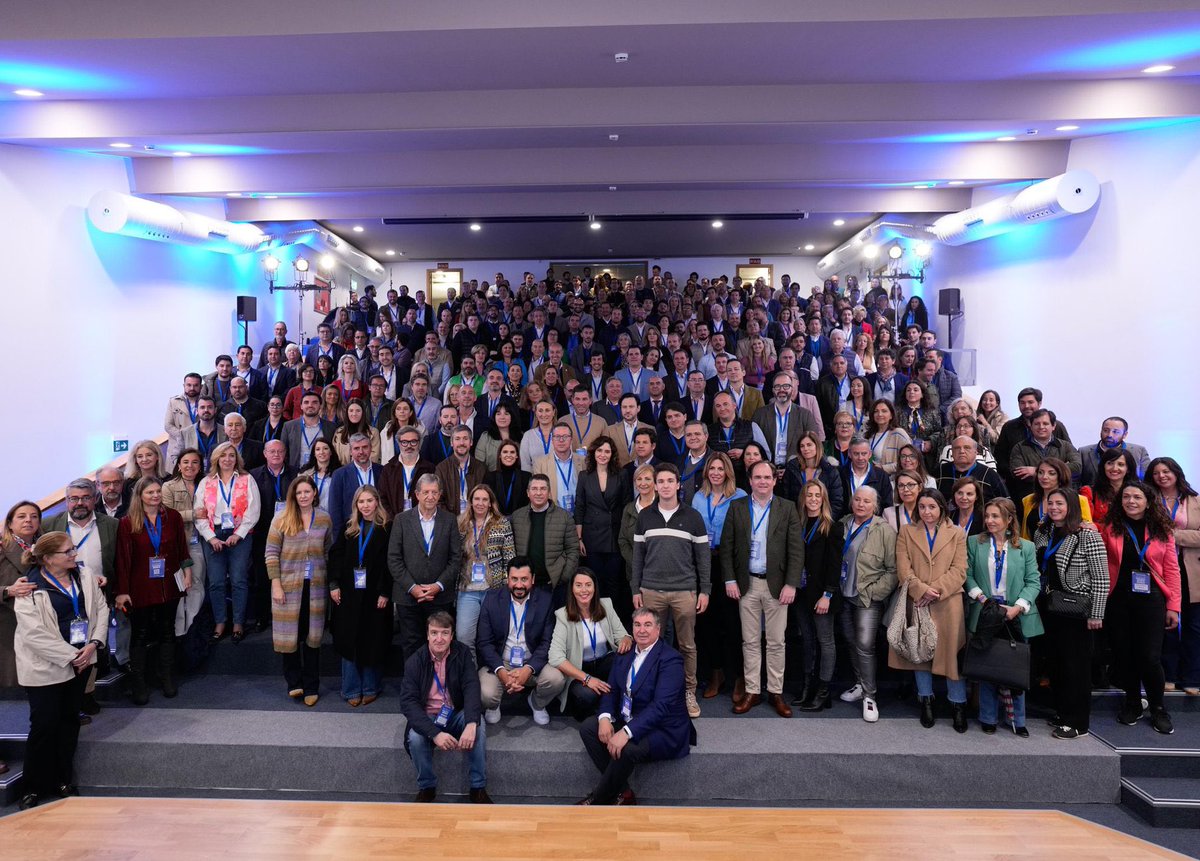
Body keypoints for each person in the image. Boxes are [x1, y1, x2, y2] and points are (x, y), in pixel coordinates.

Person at [12, 532, 108, 810]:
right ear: (47, 558)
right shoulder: (29, 586)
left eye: (73, 549)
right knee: (44, 726)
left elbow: (100, 609)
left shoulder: (84, 574)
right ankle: (32, 787)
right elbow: (34, 634)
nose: (73, 555)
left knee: (69, 722)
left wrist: (93, 645)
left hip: (81, 661)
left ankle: (63, 779)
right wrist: (72, 656)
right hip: (46, 667)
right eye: (67, 552)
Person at [577, 607, 695, 806]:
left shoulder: (670, 659)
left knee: (628, 748)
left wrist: (626, 732)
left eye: (648, 625)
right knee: (589, 727)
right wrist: (605, 717)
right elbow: (612, 690)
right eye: (637, 625)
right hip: (630, 716)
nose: (642, 630)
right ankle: (624, 792)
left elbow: (660, 707)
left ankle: (598, 798)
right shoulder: (624, 654)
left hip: (663, 728)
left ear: (658, 629)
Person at [720, 460, 802, 718]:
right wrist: (730, 579)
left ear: (775, 480)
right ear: (750, 480)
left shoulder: (787, 508)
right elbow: (726, 547)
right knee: (750, 641)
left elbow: (796, 550)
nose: (763, 481)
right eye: (758, 477)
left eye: (768, 477)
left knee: (777, 641)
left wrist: (791, 583)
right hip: (747, 584)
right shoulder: (737, 507)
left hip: (777, 585)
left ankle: (776, 692)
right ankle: (753, 691)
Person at [631, 464, 711, 718]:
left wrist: (704, 590)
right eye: (660, 481)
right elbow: (637, 559)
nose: (665, 485)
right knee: (650, 644)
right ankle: (653, 691)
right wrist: (636, 588)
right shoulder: (645, 517)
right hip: (651, 590)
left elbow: (703, 558)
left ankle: (688, 691)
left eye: (670, 481)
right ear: (654, 486)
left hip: (684, 591)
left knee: (687, 646)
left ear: (678, 485)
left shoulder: (693, 517)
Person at [1101, 482, 1181, 735]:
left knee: (1149, 657)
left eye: (1137, 497)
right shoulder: (1111, 527)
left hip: (1152, 599)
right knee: (1125, 655)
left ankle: (1158, 707)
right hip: (1119, 599)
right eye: (1126, 496)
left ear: (1148, 501)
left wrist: (1174, 607)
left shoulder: (1162, 529)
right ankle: (1133, 702)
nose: (1131, 501)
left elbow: (1171, 570)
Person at [890, 488, 969, 732]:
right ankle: (926, 700)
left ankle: (958, 705)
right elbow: (903, 569)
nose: (927, 512)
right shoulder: (906, 531)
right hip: (918, 600)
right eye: (922, 507)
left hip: (947, 603)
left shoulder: (956, 533)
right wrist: (920, 590)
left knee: (951, 657)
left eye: (932, 507)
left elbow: (960, 570)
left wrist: (934, 590)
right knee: (919, 652)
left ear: (942, 508)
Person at [1035, 489, 1109, 739]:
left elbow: (1101, 578)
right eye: (1050, 503)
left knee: (1076, 666)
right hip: (1049, 605)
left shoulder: (1087, 535)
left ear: (1072, 507)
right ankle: (1063, 711)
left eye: (1060, 503)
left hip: (1077, 609)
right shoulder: (1042, 531)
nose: (1054, 507)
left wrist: (1096, 613)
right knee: (1056, 663)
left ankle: (1078, 722)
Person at [965, 498, 1042, 736]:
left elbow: (1033, 581)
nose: (989, 520)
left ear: (1009, 519)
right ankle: (988, 717)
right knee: (988, 666)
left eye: (995, 516)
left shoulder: (1026, 547)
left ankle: (1018, 721)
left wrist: (1017, 607)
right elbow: (966, 575)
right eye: (987, 516)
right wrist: (983, 600)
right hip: (986, 612)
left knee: (1014, 668)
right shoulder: (974, 543)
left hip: (1015, 614)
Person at [398, 611, 491, 803]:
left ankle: (478, 788)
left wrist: (471, 723)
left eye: (444, 633)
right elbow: (408, 703)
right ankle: (427, 786)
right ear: (427, 635)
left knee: (478, 727)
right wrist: (435, 733)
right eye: (434, 633)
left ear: (452, 635)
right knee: (415, 738)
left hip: (455, 712)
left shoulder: (462, 653)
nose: (439, 639)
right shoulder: (415, 661)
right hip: (429, 715)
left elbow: (472, 688)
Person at [115, 477, 192, 704]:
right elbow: (122, 560)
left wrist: (187, 572)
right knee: (140, 633)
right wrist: (122, 590)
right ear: (140, 496)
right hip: (141, 588)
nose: (156, 496)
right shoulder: (128, 523)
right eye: (150, 492)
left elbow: (181, 549)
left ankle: (166, 676)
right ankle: (139, 681)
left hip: (169, 584)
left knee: (168, 629)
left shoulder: (173, 517)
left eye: (158, 491)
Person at [265, 476, 333, 706]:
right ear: (293, 495)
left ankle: (311, 684)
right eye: (299, 492)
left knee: (313, 638)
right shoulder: (281, 518)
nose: (303, 496)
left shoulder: (324, 518)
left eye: (307, 491)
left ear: (314, 493)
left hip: (315, 587)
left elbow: (327, 550)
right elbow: (271, 553)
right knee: (289, 636)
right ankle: (294, 682)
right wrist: (275, 583)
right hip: (287, 587)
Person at [476, 557, 565, 725]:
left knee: (556, 679)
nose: (519, 585)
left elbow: (547, 642)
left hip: (531, 663)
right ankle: (494, 705)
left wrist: (528, 669)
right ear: (507, 579)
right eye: (514, 579)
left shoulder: (545, 600)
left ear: (532, 579)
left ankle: (537, 704)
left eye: (524, 579)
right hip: (501, 663)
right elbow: (484, 643)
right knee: (485, 693)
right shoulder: (491, 599)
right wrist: (501, 670)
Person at [328, 485, 392, 707]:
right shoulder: (349, 529)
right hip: (349, 594)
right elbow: (335, 557)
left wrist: (385, 591)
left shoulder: (386, 529)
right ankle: (351, 688)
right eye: (361, 502)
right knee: (350, 638)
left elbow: (389, 564)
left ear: (377, 502)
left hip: (375, 594)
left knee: (372, 638)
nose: (365, 506)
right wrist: (334, 584)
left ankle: (371, 687)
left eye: (369, 501)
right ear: (356, 505)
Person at [838, 486, 897, 722]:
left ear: (875, 506)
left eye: (867, 501)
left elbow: (894, 570)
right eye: (857, 500)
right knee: (851, 641)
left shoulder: (883, 530)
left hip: (867, 597)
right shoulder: (843, 523)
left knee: (865, 645)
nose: (861, 504)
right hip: (844, 594)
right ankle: (860, 684)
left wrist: (874, 593)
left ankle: (870, 696)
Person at [690, 452, 746, 700]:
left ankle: (738, 678)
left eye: (720, 469)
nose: (715, 473)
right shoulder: (698, 498)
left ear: (727, 472)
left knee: (732, 623)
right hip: (703, 562)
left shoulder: (740, 496)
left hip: (730, 564)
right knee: (707, 623)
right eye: (711, 468)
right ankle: (716, 674)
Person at [389, 473, 463, 660]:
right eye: (426, 492)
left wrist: (438, 586)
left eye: (434, 492)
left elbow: (456, 558)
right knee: (412, 645)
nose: (430, 496)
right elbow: (394, 559)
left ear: (440, 495)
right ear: (417, 494)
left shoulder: (449, 520)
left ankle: (438, 687)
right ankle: (414, 688)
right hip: (408, 596)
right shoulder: (401, 520)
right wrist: (412, 588)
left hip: (439, 597)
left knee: (439, 646)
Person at [194, 442, 260, 643]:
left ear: (237, 458)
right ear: (216, 459)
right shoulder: (206, 482)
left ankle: (238, 622)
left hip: (240, 534)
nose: (227, 459)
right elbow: (199, 513)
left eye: (231, 455)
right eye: (223, 456)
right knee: (216, 582)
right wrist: (211, 537)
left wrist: (238, 534)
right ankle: (220, 622)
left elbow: (253, 510)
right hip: (213, 534)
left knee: (239, 580)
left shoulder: (247, 480)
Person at [546, 568, 632, 721]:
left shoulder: (606, 605)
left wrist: (626, 639)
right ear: (572, 589)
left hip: (603, 662)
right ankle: (594, 716)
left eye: (588, 585)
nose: (584, 590)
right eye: (578, 585)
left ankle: (613, 710)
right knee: (587, 695)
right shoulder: (563, 615)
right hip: (579, 669)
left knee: (625, 662)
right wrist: (587, 679)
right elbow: (555, 657)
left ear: (595, 587)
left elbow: (622, 635)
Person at [1149, 457, 1200, 694]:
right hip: (1159, 568)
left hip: (1191, 568)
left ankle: (1191, 678)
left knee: (1193, 625)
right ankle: (1167, 675)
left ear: (1176, 473)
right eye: (1157, 472)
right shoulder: (1149, 500)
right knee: (1165, 624)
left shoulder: (1194, 500)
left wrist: (1173, 535)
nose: (1162, 476)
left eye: (1166, 471)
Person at [793, 479, 844, 711]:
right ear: (803, 498)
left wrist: (828, 594)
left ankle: (824, 691)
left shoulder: (832, 526)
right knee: (807, 640)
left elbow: (835, 565)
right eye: (809, 495)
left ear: (823, 499)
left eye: (817, 495)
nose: (813, 499)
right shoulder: (797, 523)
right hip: (801, 592)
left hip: (823, 594)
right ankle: (807, 687)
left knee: (826, 641)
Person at [456, 484, 515, 662]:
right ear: (471, 502)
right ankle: (471, 678)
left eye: (484, 499)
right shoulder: (461, 524)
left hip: (494, 590)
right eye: (476, 499)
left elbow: (509, 558)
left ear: (490, 503)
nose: (480, 503)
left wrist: (505, 588)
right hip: (468, 591)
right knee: (464, 637)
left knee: (492, 637)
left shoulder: (502, 523)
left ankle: (492, 675)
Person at [510, 473, 578, 599]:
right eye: (534, 489)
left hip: (554, 585)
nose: (538, 493)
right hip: (524, 585)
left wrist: (563, 577)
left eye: (543, 489)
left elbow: (573, 549)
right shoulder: (516, 517)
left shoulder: (564, 517)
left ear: (549, 492)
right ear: (527, 492)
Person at [162, 451, 206, 637]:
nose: (190, 466)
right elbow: (165, 515)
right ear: (178, 466)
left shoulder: (206, 484)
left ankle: (193, 629)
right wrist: (193, 514)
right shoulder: (168, 486)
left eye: (195, 462)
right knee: (179, 587)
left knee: (197, 584)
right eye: (185, 462)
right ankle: (179, 632)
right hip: (178, 545)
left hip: (201, 542)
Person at [1008, 409, 1081, 500]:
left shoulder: (1065, 446)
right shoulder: (1019, 447)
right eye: (1037, 424)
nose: (1041, 427)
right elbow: (1017, 473)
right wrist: (1061, 471)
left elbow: (1077, 466)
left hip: (1062, 499)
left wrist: (1036, 471)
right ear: (1031, 426)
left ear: (1053, 426)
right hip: (1031, 498)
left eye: (1045, 423)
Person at [1020, 457, 1093, 539]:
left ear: (1061, 476)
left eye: (1051, 473)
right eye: (1040, 472)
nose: (1044, 477)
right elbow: (1025, 534)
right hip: (1035, 550)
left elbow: (1088, 530)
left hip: (1067, 549)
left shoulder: (1079, 500)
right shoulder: (1028, 500)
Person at [1080, 417, 1151, 487]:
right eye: (1106, 430)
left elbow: (1148, 480)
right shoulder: (1084, 452)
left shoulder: (1139, 451)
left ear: (1125, 434)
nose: (1109, 435)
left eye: (1115, 432)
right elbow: (1075, 481)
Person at [937, 436, 1008, 503]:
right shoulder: (939, 472)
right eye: (957, 448)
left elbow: (1006, 503)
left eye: (967, 448)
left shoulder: (989, 475)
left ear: (976, 451)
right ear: (952, 452)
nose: (962, 451)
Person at [1081, 447, 1139, 525]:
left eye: (1120, 464)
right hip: (1098, 536)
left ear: (1128, 469)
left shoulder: (1140, 493)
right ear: (1103, 466)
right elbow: (1087, 524)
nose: (1114, 468)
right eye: (1110, 463)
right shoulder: (1089, 492)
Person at [281, 391, 336, 472]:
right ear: (301, 406)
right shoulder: (289, 426)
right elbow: (283, 451)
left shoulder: (331, 427)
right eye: (306, 402)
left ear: (320, 406)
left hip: (323, 473)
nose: (310, 405)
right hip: (297, 473)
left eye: (314, 402)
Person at [863, 399, 912, 476]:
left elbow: (910, 460)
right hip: (871, 478)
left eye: (884, 411)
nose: (879, 414)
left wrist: (884, 468)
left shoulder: (899, 434)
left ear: (891, 415)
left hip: (893, 481)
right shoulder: (868, 435)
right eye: (876, 411)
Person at [475, 403, 521, 471]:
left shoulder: (521, 437)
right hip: (490, 479)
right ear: (494, 417)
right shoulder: (485, 437)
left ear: (512, 417)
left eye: (506, 414)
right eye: (498, 414)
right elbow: (478, 465)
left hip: (517, 479)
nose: (502, 417)